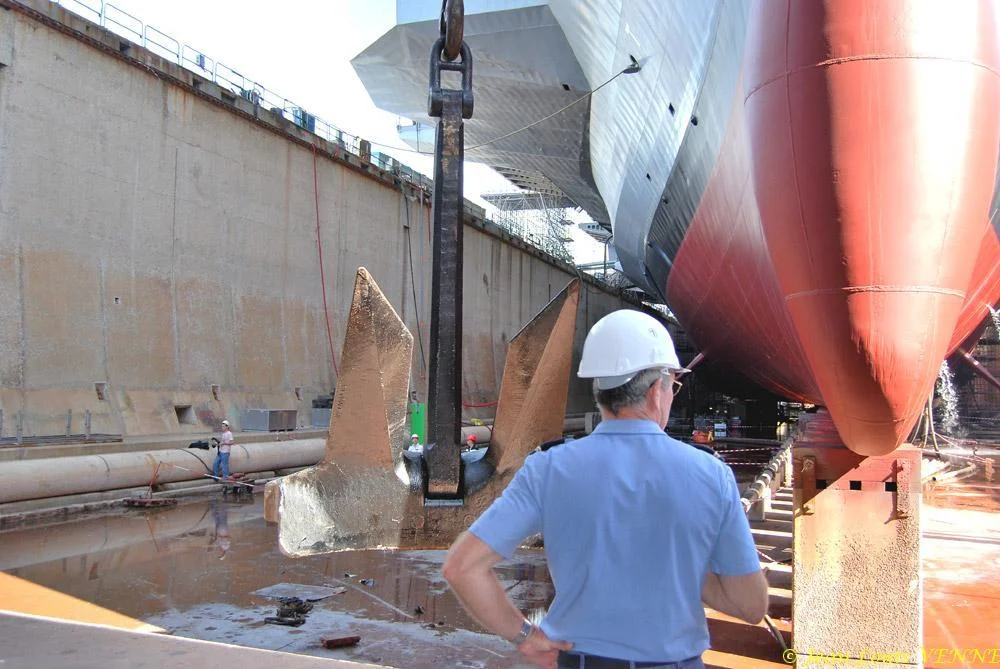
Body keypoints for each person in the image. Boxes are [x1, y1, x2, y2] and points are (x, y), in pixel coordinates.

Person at [442, 309, 768, 669]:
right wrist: (689, 568)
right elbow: (751, 606)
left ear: (599, 392)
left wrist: (525, 636)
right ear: (657, 391)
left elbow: (462, 567)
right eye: (673, 384)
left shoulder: (548, 468)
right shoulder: (711, 474)